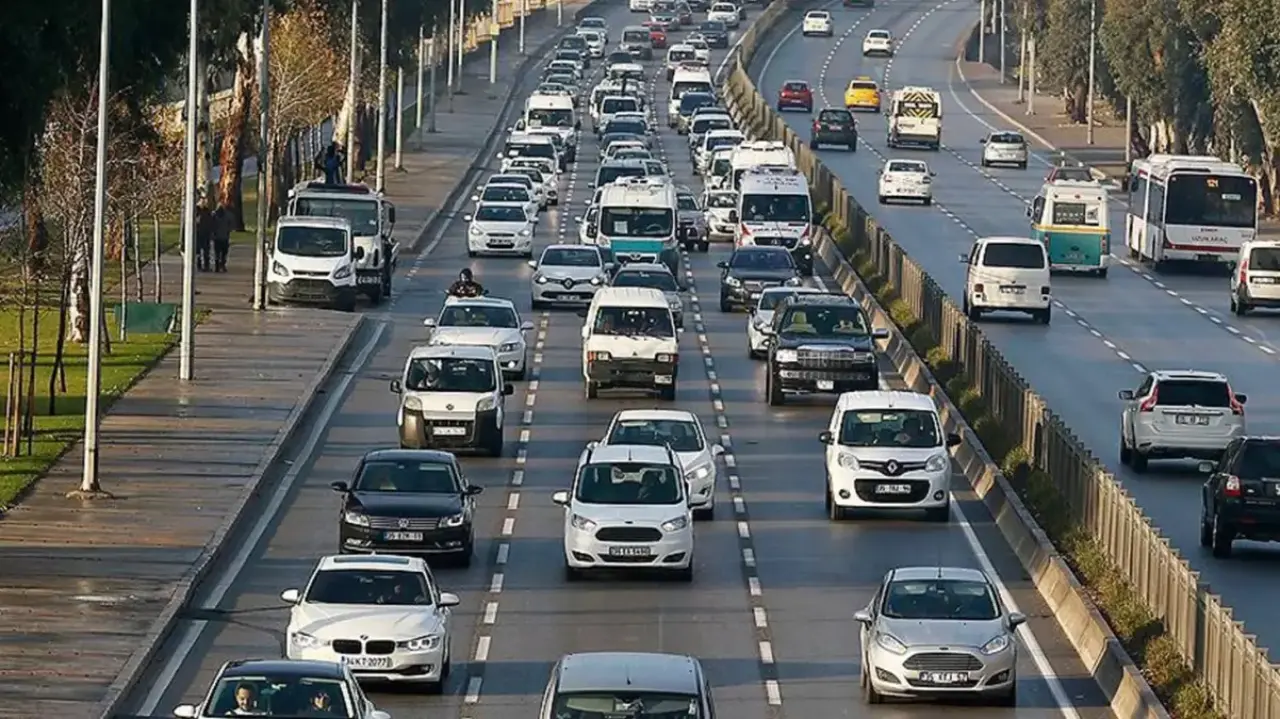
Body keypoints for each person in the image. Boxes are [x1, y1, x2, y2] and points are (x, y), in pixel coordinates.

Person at [212, 203, 233, 273]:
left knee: (217, 253)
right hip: (224, 237)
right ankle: (222, 265)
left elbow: (212, 225)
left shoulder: (214, 215)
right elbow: (230, 225)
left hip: (217, 237)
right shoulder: (227, 215)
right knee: (224, 253)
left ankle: (217, 266)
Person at [195, 204, 214, 272]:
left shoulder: (205, 213)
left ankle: (204, 265)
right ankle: (202, 265)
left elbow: (211, 223)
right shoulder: (197, 212)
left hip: (203, 234)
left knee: (203, 251)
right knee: (201, 251)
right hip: (201, 234)